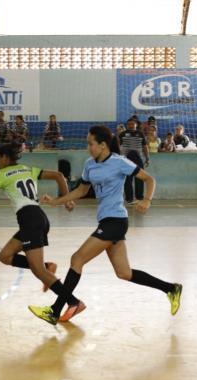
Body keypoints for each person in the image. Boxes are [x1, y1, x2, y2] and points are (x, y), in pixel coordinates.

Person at [28, 126, 182, 325]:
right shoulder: (89, 164)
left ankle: (55, 310)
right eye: (88, 143)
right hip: (106, 221)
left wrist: (146, 200)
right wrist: (57, 201)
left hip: (116, 221)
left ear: (102, 145)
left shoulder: (119, 162)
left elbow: (149, 179)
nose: (88, 147)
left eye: (91, 143)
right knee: (124, 272)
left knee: (77, 259)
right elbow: (82, 190)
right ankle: (171, 288)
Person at [0, 143, 80, 302]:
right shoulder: (28, 169)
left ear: (4, 157)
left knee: (37, 270)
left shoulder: (2, 174)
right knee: (5, 256)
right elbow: (59, 176)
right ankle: (48, 267)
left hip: (29, 220)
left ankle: (73, 302)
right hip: (38, 217)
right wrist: (66, 200)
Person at [118, 118, 149, 204]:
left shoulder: (141, 134)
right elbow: (118, 146)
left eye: (132, 124)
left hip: (138, 159)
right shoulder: (122, 134)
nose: (131, 125)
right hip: (126, 159)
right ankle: (129, 199)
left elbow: (145, 147)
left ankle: (139, 198)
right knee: (127, 179)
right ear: (127, 125)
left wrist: (147, 158)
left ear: (136, 125)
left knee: (140, 178)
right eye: (129, 124)